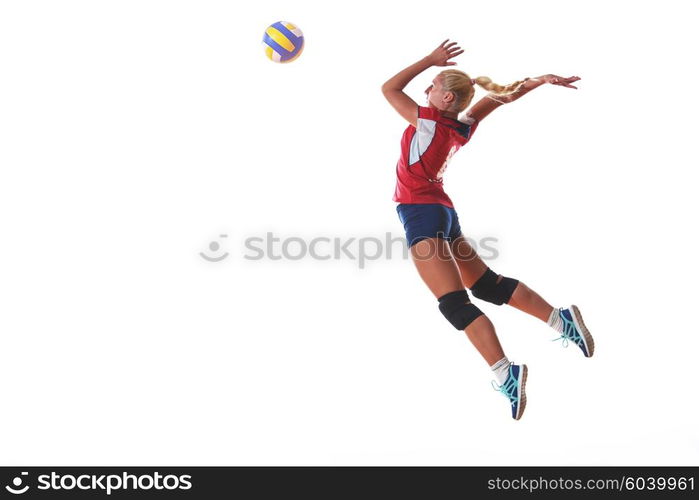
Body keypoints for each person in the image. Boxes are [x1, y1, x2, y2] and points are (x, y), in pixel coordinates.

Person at [381, 40, 592, 420]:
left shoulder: (428, 121)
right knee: (486, 285)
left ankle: (504, 371)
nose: (425, 90)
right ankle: (561, 320)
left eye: (431, 85)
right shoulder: (461, 125)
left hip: (422, 214)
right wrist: (540, 80)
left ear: (445, 98)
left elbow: (388, 89)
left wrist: (429, 59)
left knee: (455, 303)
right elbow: (503, 97)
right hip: (442, 212)